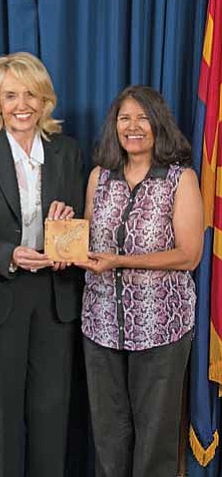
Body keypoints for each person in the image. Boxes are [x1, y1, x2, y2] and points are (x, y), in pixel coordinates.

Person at [0, 52, 84, 477]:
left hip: (53, 299)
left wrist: (67, 240)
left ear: (45, 101)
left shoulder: (68, 152)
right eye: (10, 95)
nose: (21, 104)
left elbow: (83, 221)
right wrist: (6, 254)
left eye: (31, 94)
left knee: (51, 416)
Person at [76, 85, 203, 477]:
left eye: (142, 118)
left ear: (158, 124)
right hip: (100, 327)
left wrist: (121, 261)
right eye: (124, 118)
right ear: (114, 127)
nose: (133, 127)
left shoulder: (180, 179)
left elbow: (189, 255)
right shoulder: (100, 177)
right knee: (108, 440)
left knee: (155, 441)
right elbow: (86, 244)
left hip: (161, 328)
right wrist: (63, 231)